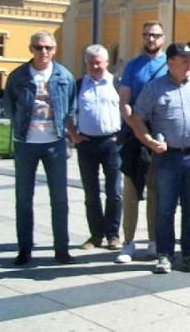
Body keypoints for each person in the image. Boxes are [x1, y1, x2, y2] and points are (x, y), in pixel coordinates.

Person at [130, 42, 190, 274]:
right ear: (170, 62)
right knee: (165, 209)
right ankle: (165, 255)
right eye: (185, 60)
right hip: (167, 157)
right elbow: (137, 116)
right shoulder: (154, 88)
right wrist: (148, 140)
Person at [4, 31, 77, 265]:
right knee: (24, 198)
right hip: (26, 143)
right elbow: (7, 106)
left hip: (54, 143)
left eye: (47, 47)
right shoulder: (18, 76)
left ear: (54, 49)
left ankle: (61, 248)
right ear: (31, 49)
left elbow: (72, 106)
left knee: (60, 199)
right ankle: (25, 248)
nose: (43, 52)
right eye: (38, 47)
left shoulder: (64, 76)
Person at [116, 21, 168, 263]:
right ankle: (128, 242)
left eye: (155, 35)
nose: (150, 39)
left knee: (155, 190)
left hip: (159, 135)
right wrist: (134, 125)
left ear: (163, 38)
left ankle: (153, 240)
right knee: (131, 189)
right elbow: (125, 100)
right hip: (134, 136)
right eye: (146, 34)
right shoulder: (133, 66)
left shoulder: (170, 64)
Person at [66, 44, 123, 251]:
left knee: (114, 191)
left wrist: (122, 136)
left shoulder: (117, 83)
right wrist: (73, 134)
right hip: (87, 144)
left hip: (112, 143)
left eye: (98, 62)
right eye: (90, 63)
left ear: (107, 63)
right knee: (91, 193)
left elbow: (128, 110)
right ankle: (96, 235)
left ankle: (113, 235)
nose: (94, 66)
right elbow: (67, 112)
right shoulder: (79, 84)